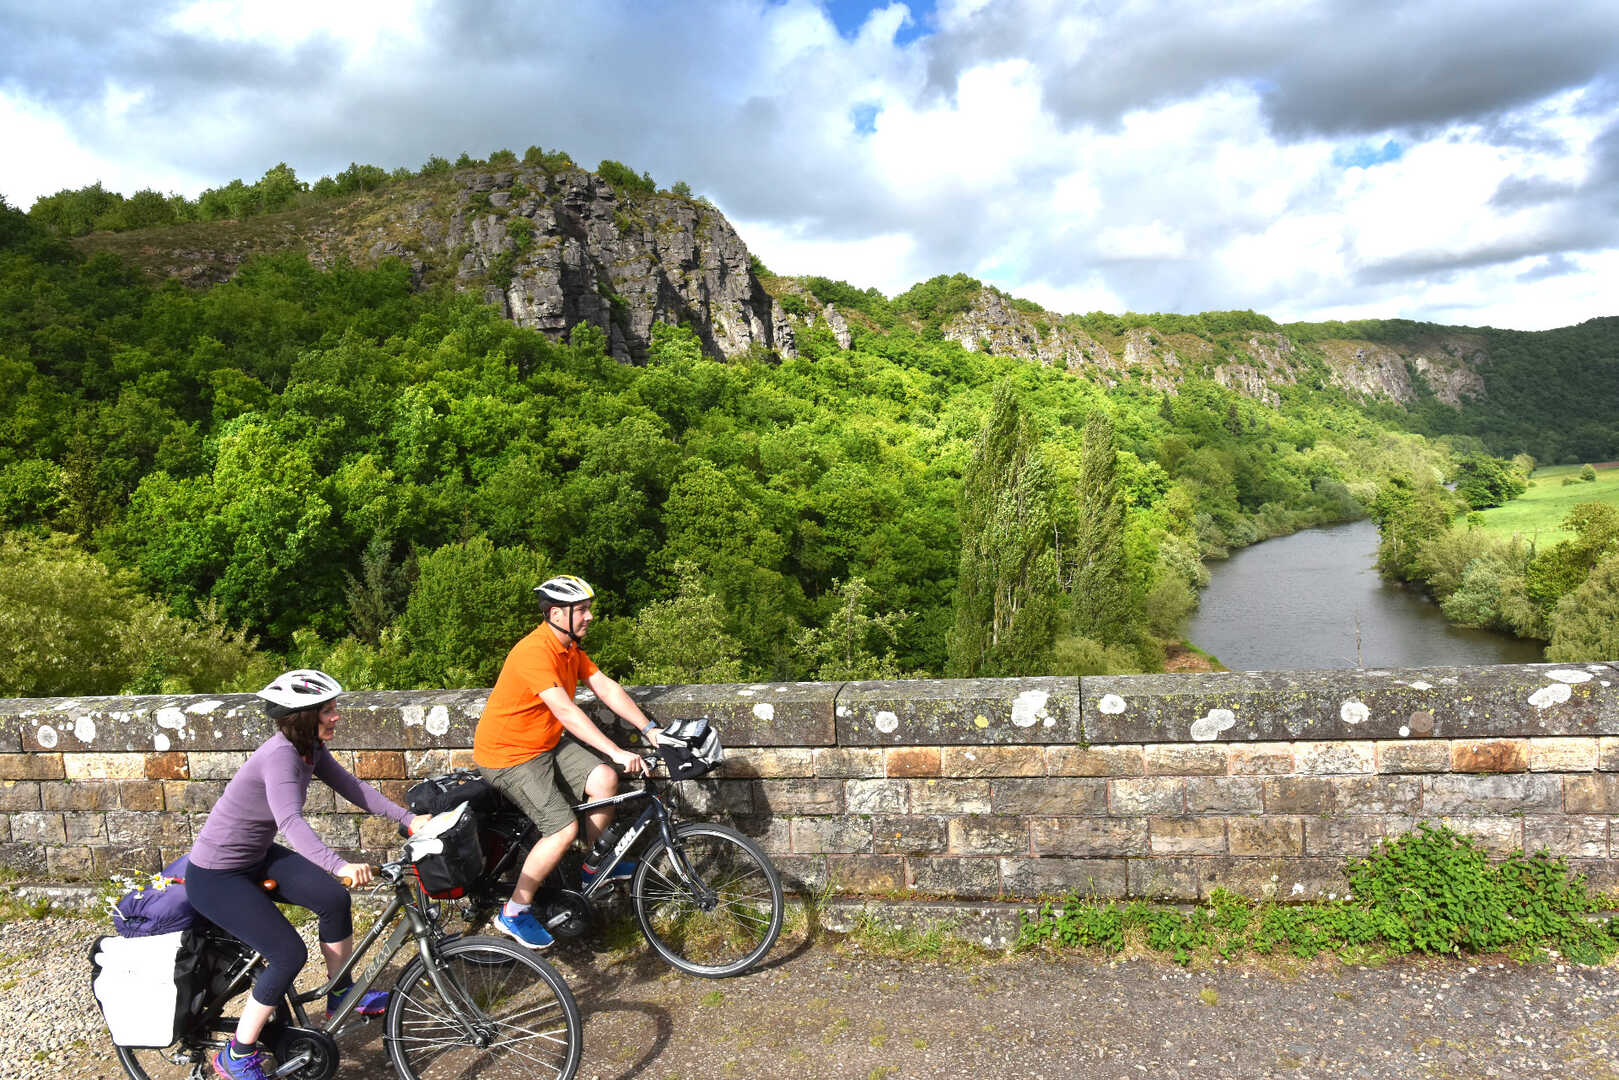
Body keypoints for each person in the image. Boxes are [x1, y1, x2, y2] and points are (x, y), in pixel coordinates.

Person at [187, 669, 428, 1080]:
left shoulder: (309, 748)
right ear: (303, 716)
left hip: (256, 858)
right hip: (217, 875)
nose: (336, 717)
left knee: (334, 899)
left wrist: (408, 820)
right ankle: (236, 1055)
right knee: (287, 954)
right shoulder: (280, 756)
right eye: (328, 710)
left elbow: (353, 787)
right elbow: (291, 822)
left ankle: (341, 994)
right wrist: (339, 865)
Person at [473, 574, 658, 950]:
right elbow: (566, 711)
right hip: (510, 756)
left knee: (605, 779)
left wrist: (649, 728)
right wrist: (618, 750)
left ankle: (595, 868)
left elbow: (604, 685)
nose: (590, 616)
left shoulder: (569, 648)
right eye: (583, 610)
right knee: (560, 829)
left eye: (589, 609)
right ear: (557, 614)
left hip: (545, 744)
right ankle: (515, 910)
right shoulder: (533, 652)